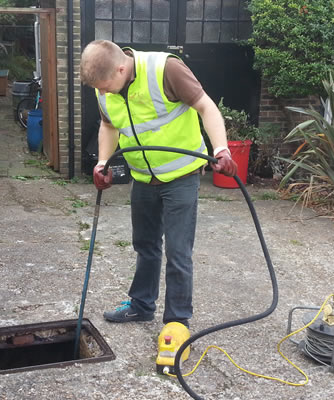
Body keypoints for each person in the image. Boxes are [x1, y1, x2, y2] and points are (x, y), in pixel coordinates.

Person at [79, 40, 237, 329]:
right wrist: (102, 163)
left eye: (103, 85)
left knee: (178, 251)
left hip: (181, 176)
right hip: (142, 178)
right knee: (145, 245)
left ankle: (177, 320)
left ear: (121, 68)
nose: (101, 92)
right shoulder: (103, 88)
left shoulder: (166, 69)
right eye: (97, 88)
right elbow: (109, 125)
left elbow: (206, 107)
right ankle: (141, 305)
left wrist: (221, 149)